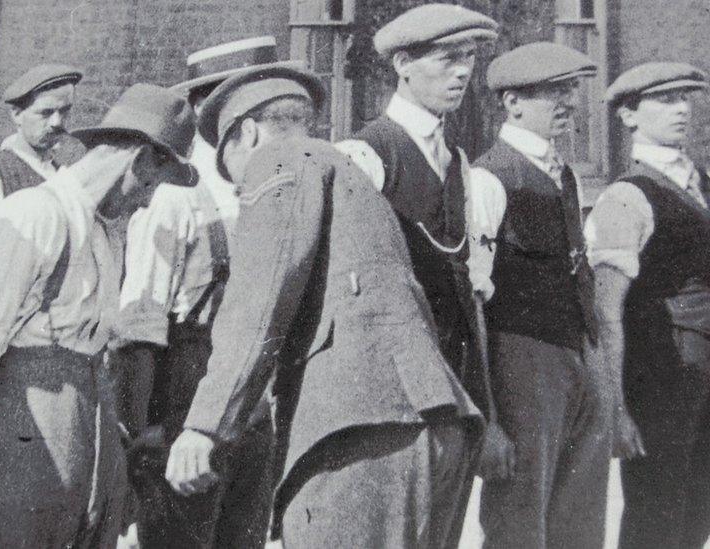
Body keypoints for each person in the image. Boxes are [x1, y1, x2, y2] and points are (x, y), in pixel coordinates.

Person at [165, 63, 480, 548]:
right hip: (428, 422)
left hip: (357, 432)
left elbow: (261, 297)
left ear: (247, 133)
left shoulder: (279, 161)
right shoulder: (346, 172)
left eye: (230, 169)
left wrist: (205, 425)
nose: (236, 186)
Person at [0, 83, 198, 549]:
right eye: (151, 186)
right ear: (139, 162)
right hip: (22, 439)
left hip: (83, 439)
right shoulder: (32, 215)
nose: (147, 202)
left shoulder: (109, 234)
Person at [114, 36, 298, 549]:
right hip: (183, 396)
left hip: (254, 410)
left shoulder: (272, 190)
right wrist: (144, 430)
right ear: (206, 108)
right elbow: (140, 321)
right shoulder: (177, 196)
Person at [335, 4, 498, 543]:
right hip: (390, 397)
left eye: (469, 59)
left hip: (449, 385)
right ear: (403, 64)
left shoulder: (460, 164)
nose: (462, 73)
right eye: (448, 59)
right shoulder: (364, 154)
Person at [467, 42, 611, 549]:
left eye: (571, 89)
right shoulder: (488, 177)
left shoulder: (563, 173)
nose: (568, 102)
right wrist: (487, 413)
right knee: (520, 517)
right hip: (521, 362)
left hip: (577, 353)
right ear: (512, 103)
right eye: (553, 90)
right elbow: (473, 302)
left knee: (580, 513)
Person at [586, 62, 710, 549]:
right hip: (661, 373)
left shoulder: (701, 180)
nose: (681, 109)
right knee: (656, 516)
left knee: (698, 512)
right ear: (628, 116)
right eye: (664, 100)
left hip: (703, 376)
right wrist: (617, 407)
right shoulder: (626, 196)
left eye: (686, 98)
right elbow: (606, 312)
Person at [0, 63, 82, 283]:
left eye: (64, 111)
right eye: (45, 113)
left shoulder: (63, 178)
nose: (57, 122)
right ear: (17, 115)